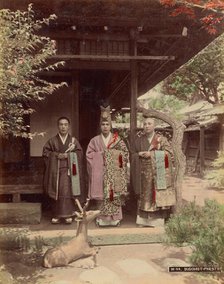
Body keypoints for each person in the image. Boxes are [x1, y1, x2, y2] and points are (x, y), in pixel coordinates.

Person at [86, 106, 129, 227]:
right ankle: (101, 219)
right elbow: (89, 155)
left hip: (114, 173)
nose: (105, 126)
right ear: (100, 126)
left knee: (114, 195)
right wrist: (101, 155)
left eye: (107, 124)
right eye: (103, 124)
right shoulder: (94, 141)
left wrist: (111, 156)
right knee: (102, 196)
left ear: (111, 126)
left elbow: (125, 154)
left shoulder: (117, 140)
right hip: (100, 173)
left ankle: (115, 219)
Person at [131, 117, 176, 227]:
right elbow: (132, 154)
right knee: (145, 197)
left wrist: (152, 154)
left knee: (157, 194)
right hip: (143, 173)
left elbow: (169, 154)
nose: (146, 126)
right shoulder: (138, 140)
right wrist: (138, 155)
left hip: (158, 172)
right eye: (145, 124)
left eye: (149, 123)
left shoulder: (161, 139)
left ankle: (158, 220)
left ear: (154, 126)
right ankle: (143, 220)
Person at [43, 116, 85, 224]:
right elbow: (46, 153)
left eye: (65, 124)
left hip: (70, 171)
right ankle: (57, 215)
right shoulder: (52, 141)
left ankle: (68, 214)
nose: (63, 127)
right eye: (61, 124)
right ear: (58, 126)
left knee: (67, 190)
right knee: (57, 190)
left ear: (69, 126)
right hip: (55, 171)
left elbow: (80, 154)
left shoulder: (73, 141)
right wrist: (56, 155)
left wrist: (69, 156)